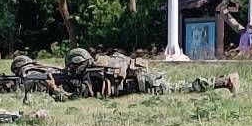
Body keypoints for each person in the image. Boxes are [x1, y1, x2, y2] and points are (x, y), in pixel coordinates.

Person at [60, 48, 239, 98]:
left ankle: (224, 81)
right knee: (181, 87)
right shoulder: (100, 64)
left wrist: (56, 89)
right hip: (144, 79)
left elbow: (82, 94)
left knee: (183, 88)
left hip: (144, 84)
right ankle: (223, 81)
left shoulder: (93, 73)